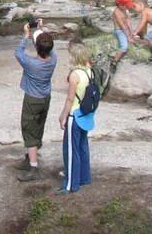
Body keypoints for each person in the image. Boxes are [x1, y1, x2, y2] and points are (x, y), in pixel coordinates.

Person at [16, 21, 58, 179]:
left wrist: (25, 36)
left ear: (37, 48)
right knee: (38, 127)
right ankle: (29, 158)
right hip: (45, 98)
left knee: (29, 131)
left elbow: (18, 52)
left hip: (32, 100)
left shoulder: (31, 63)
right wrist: (40, 30)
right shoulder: (53, 59)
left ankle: (33, 167)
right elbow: (47, 45)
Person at [56, 42, 94, 195]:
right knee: (83, 146)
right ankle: (84, 177)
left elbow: (70, 99)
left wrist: (62, 116)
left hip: (74, 115)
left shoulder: (74, 75)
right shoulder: (89, 72)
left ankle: (70, 184)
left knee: (71, 151)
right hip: (85, 114)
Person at [110, 0, 136, 66]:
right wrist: (128, 37)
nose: (127, 7)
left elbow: (128, 22)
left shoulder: (124, 10)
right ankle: (114, 61)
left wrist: (132, 32)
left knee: (135, 37)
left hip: (125, 29)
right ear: (120, 5)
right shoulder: (116, 13)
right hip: (119, 31)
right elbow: (122, 26)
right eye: (126, 5)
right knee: (124, 47)